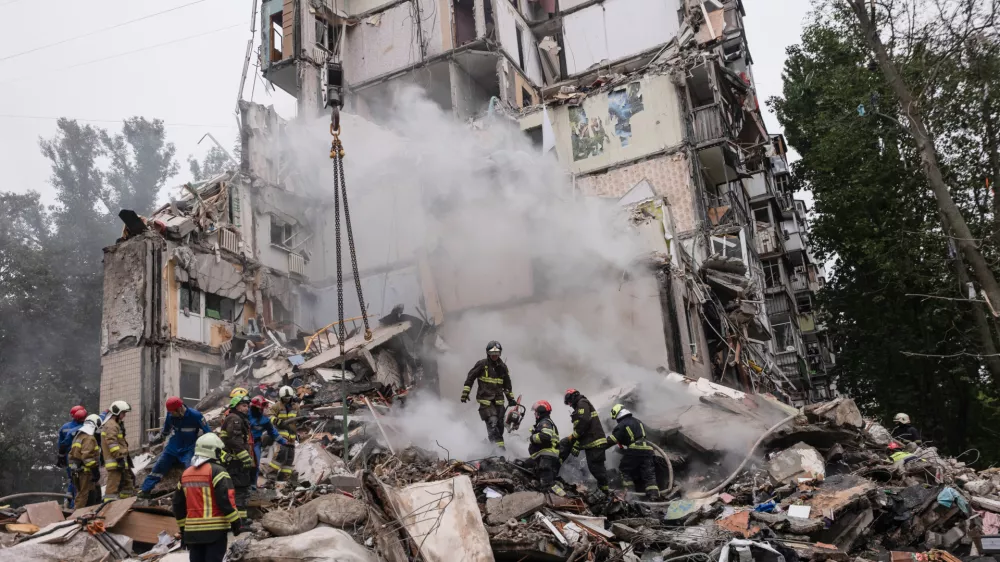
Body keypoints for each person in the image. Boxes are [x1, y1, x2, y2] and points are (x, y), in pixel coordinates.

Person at [172, 433, 241, 562]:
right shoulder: (218, 471)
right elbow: (225, 500)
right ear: (214, 451)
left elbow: (177, 504)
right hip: (215, 532)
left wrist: (183, 530)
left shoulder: (186, 474)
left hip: (192, 533)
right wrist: (236, 521)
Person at [138, 397, 212, 499]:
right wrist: (159, 438)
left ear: (179, 409)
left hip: (189, 448)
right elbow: (166, 430)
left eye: (173, 412)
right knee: (159, 466)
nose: (171, 414)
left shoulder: (195, 415)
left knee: (190, 470)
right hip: (173, 446)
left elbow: (208, 432)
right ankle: (145, 490)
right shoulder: (170, 415)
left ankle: (193, 494)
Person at [461, 341, 516, 448]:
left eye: (497, 353)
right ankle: (498, 450)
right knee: (492, 422)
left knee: (500, 427)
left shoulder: (503, 367)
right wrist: (465, 392)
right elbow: (470, 377)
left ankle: (495, 449)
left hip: (499, 402)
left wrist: (511, 399)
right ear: (488, 353)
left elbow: (507, 386)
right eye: (492, 353)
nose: (495, 355)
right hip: (486, 401)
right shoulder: (482, 364)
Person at [606, 404, 659, 501]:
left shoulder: (622, 424)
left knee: (624, 470)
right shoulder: (638, 421)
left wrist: (600, 446)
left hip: (636, 449)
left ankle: (631, 494)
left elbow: (613, 440)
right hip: (648, 449)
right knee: (649, 474)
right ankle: (654, 496)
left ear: (618, 415)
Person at [564, 389, 610, 493]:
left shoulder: (582, 403)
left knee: (597, 469)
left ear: (572, 397)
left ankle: (605, 493)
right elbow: (583, 429)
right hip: (592, 443)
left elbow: (583, 422)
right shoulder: (582, 404)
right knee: (595, 469)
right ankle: (604, 492)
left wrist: (574, 436)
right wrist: (577, 443)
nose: (570, 405)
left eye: (570, 402)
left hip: (595, 442)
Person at [220, 395, 254, 522]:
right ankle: (240, 522)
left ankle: (240, 520)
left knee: (240, 489)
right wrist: (245, 458)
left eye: (248, 406)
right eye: (244, 405)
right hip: (235, 463)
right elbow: (234, 441)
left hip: (234, 461)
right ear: (236, 406)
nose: (247, 408)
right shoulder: (235, 419)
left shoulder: (236, 418)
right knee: (239, 490)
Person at [526, 400, 565, 496]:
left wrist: (532, 437)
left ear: (540, 411)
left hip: (546, 457)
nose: (535, 414)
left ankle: (563, 497)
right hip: (543, 457)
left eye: (535, 411)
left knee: (547, 484)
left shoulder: (545, 422)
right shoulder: (544, 422)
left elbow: (545, 437)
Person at [248, 395, 287, 489]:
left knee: (255, 465)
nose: (264, 410)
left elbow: (272, 432)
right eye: (261, 408)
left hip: (255, 444)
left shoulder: (264, 420)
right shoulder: (245, 414)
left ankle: (253, 486)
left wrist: (283, 441)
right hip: (243, 443)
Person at [101, 400, 136, 502]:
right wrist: (119, 457)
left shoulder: (116, 424)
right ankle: (108, 507)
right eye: (123, 413)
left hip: (120, 459)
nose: (124, 415)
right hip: (115, 460)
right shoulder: (111, 425)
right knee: (113, 486)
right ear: (117, 412)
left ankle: (125, 504)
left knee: (128, 483)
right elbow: (112, 443)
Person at [69, 414, 103, 509]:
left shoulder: (79, 436)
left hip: (78, 471)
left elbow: (72, 455)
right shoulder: (89, 438)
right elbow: (87, 457)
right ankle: (77, 516)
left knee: (90, 494)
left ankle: (89, 513)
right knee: (83, 495)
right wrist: (95, 470)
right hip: (85, 472)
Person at [268, 386, 300, 484]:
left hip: (292, 436)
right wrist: (277, 421)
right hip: (281, 434)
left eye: (288, 397)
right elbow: (269, 416)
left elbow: (298, 419)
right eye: (285, 398)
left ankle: (284, 478)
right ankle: (271, 476)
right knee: (280, 455)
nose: (287, 399)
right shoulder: (276, 406)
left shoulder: (296, 407)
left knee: (290, 457)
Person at [58, 406, 87, 508]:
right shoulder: (85, 428)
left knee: (72, 480)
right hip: (81, 457)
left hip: (68, 456)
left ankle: (68, 501)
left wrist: (60, 456)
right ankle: (74, 505)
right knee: (79, 482)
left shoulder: (64, 427)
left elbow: (61, 444)